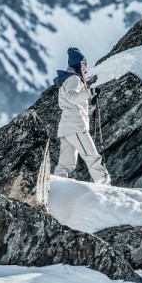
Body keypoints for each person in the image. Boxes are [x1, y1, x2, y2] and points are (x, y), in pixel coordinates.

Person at [51, 47, 110, 185]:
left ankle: (56, 186)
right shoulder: (74, 78)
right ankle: (104, 183)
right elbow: (72, 97)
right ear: (78, 63)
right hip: (75, 126)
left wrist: (90, 108)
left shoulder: (66, 79)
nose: (86, 66)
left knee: (66, 163)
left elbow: (71, 104)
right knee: (91, 155)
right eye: (84, 63)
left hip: (67, 126)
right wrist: (90, 92)